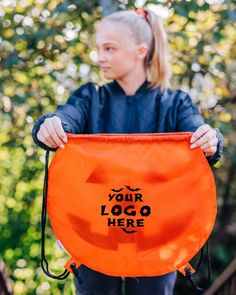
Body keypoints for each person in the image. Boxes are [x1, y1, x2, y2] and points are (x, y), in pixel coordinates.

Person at [32, 8, 223, 295]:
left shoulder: (175, 103)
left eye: (109, 48)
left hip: (157, 242)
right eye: (99, 49)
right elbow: (64, 117)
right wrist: (48, 126)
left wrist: (211, 139)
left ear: (140, 51)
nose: (101, 57)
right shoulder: (89, 97)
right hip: (95, 237)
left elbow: (200, 133)